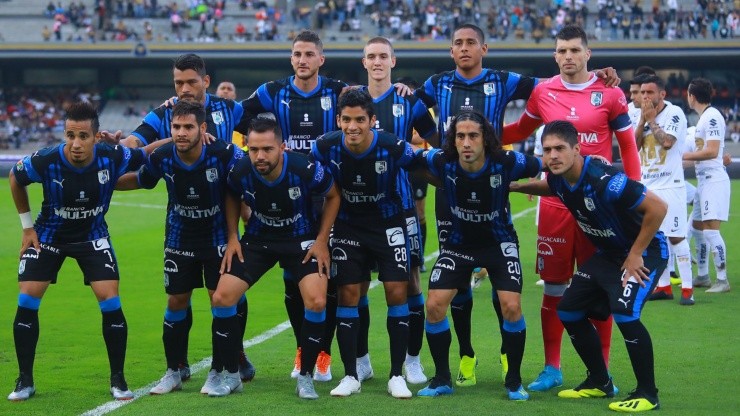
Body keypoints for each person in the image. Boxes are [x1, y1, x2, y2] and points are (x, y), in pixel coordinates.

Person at [415, 23, 621, 387]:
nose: (464, 49)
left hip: (494, 187)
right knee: (455, 287)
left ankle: (511, 358)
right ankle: (465, 354)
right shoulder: (437, 84)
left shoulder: (502, 80)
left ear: (484, 48)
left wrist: (591, 77)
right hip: (451, 193)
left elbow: (552, 84)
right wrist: (437, 143)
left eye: (470, 43)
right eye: (458, 44)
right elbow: (408, 109)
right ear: (451, 51)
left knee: (503, 287)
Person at [501, 24, 640, 393]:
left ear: (588, 54)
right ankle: (552, 367)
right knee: (554, 286)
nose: (567, 57)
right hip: (555, 202)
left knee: (601, 289)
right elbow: (517, 131)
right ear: (554, 55)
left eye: (574, 50)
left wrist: (634, 193)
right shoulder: (543, 91)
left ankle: (603, 370)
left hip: (601, 208)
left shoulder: (609, 93)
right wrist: (473, 134)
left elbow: (627, 146)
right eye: (561, 51)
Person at [112, 53, 254, 383]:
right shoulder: (165, 112)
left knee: (225, 295)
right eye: (178, 83)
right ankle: (177, 366)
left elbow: (260, 135)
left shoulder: (230, 109)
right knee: (178, 297)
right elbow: (137, 141)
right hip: (180, 226)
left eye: (191, 81)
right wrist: (119, 147)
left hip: (222, 223)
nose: (184, 88)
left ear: (206, 81)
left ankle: (236, 352)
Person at [511, 120, 668, 413]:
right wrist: (517, 186)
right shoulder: (558, 177)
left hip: (645, 253)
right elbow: (550, 187)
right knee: (569, 310)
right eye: (547, 150)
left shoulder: (605, 179)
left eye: (560, 148)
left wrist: (636, 254)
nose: (553, 155)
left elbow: (658, 208)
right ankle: (600, 381)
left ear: (577, 149)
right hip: (608, 255)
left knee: (625, 313)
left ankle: (648, 393)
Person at [7, 101, 155, 401]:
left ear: (95, 136)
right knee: (27, 299)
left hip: (92, 236)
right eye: (70, 135)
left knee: (110, 299)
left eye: (83, 136)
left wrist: (184, 139)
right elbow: (15, 177)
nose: (75, 143)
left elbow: (146, 153)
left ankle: (118, 379)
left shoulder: (112, 155)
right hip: (48, 235)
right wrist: (27, 227)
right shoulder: (46, 160)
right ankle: (24, 380)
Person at [236, 29, 347, 382]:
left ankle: (325, 355)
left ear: (320, 59)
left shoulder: (337, 90)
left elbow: (372, 104)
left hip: (328, 196)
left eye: (309, 54)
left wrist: (405, 89)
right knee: (291, 281)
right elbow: (238, 116)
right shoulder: (271, 92)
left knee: (329, 282)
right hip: (285, 199)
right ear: (291, 58)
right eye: (297, 54)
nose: (302, 60)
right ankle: (303, 352)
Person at [416, 110, 541, 400]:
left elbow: (545, 163)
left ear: (485, 139)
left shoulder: (507, 162)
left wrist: (585, 161)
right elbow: (409, 156)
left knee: (510, 306)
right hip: (459, 245)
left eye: (473, 135)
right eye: (461, 136)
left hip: (499, 244)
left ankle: (513, 381)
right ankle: (442, 379)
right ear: (453, 140)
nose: (467, 142)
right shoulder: (442, 160)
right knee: (434, 305)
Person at [216, 117, 340, 400]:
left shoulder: (303, 169)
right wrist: (233, 236)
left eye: (268, 149)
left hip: (301, 240)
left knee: (317, 300)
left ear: (282, 147)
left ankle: (306, 377)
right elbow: (232, 194)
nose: (260, 156)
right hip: (259, 240)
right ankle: (232, 376)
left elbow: (333, 195)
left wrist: (322, 241)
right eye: (254, 149)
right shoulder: (241, 169)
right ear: (247, 145)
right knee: (222, 297)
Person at [311, 88, 416, 399]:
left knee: (397, 292)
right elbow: (306, 175)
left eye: (360, 119)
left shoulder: (393, 147)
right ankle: (351, 375)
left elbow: (426, 164)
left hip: (388, 226)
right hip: (349, 228)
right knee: (348, 294)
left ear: (373, 120)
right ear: (338, 120)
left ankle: (397, 375)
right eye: (346, 119)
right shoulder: (325, 147)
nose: (352, 126)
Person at [357, 36, 438, 385]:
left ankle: (413, 360)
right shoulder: (350, 100)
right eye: (371, 56)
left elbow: (437, 140)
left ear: (393, 61)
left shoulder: (410, 101)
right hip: (357, 210)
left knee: (411, 282)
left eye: (383, 56)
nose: (377, 61)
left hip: (402, 207)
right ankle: (360, 359)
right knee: (354, 286)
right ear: (364, 62)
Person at [634, 75, 693, 305]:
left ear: (662, 94)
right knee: (654, 238)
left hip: (671, 186)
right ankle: (664, 286)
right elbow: (634, 146)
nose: (645, 97)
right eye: (642, 93)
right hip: (648, 186)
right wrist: (641, 122)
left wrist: (651, 121)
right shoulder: (642, 117)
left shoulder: (674, 113)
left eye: (650, 92)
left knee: (676, 237)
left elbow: (667, 141)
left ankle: (688, 290)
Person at [683, 78, 731, 293]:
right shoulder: (704, 118)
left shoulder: (711, 117)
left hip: (714, 180)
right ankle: (702, 275)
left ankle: (722, 279)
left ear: (692, 96)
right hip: (704, 180)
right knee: (697, 228)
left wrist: (685, 155)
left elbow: (711, 151)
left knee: (711, 231)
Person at [215, 81, 247, 149]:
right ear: (216, 93)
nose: (225, 91)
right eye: (222, 88)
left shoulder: (242, 115)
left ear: (234, 95)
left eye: (229, 89)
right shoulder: (206, 113)